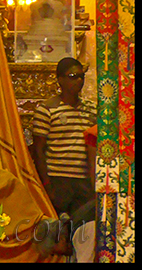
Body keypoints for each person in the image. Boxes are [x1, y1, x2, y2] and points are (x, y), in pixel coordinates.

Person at [32, 57, 96, 223]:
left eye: (82, 76)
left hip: (83, 180)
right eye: (73, 76)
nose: (79, 80)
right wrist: (46, 184)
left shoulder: (91, 110)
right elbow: (38, 150)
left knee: (83, 227)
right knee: (60, 228)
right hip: (58, 179)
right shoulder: (47, 109)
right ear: (60, 79)